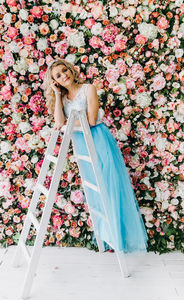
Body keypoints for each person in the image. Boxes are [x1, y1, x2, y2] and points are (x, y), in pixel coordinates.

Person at [43, 58, 149, 254]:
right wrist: (57, 96)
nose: (64, 75)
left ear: (70, 69)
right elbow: (58, 120)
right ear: (55, 82)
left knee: (110, 186)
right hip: (82, 146)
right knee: (96, 193)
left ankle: (121, 239)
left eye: (64, 70)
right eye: (58, 76)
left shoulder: (88, 88)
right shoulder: (64, 97)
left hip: (98, 140)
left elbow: (91, 120)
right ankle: (108, 236)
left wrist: (66, 125)